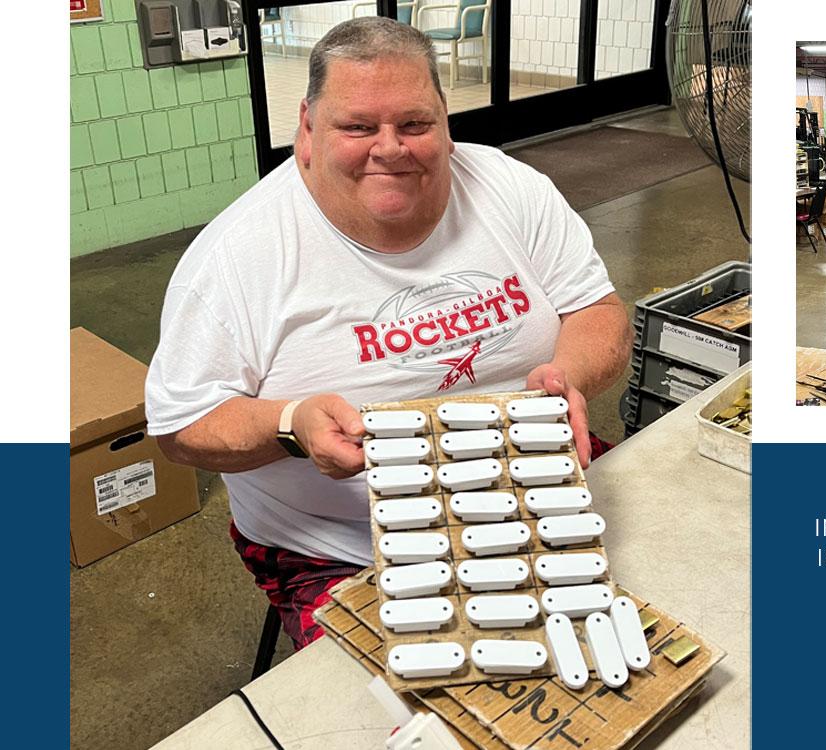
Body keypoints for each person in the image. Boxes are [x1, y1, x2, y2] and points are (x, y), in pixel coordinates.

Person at [144, 18, 632, 647]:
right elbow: (181, 428)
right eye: (357, 127)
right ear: (308, 129)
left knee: (689, 591)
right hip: (343, 545)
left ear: (446, 120)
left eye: (414, 124)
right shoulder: (237, 258)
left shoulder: (511, 188)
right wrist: (290, 425)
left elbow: (597, 312)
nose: (391, 148)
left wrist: (568, 378)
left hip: (540, 485)